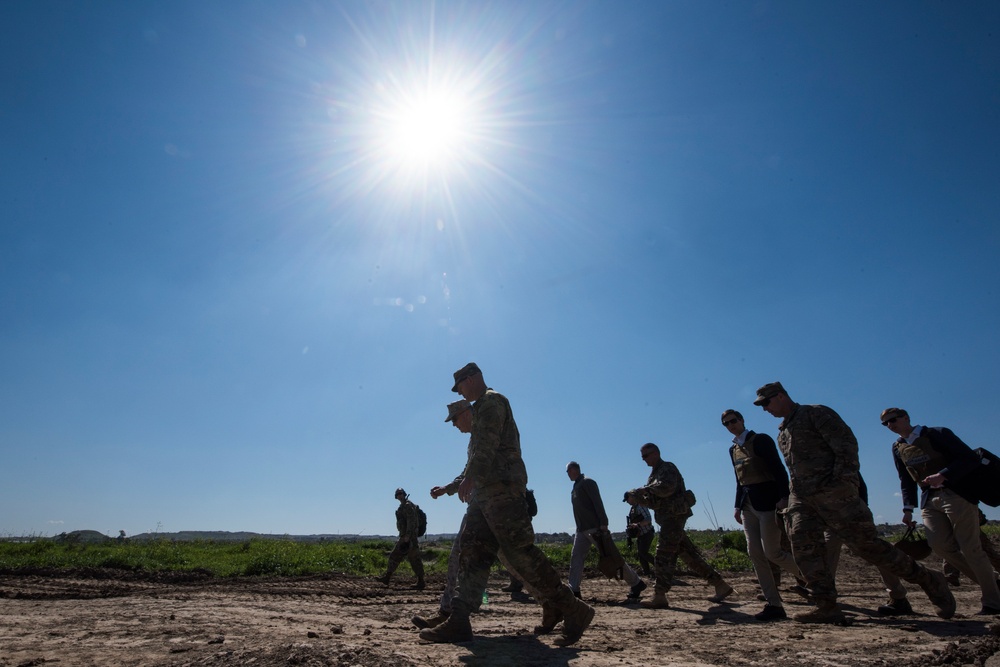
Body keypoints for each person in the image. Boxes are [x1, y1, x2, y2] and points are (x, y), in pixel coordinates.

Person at [418, 362, 595, 646]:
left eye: (461, 385)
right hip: (486, 495)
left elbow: (486, 448)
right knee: (472, 551)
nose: (460, 392)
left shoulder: (491, 402)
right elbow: (473, 462)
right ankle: (459, 620)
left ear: (472, 378)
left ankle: (574, 609)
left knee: (520, 554)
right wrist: (453, 486)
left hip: (502, 491)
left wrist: (471, 478)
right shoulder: (482, 410)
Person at [753, 382, 955, 623]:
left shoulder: (816, 413)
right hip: (802, 499)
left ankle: (929, 580)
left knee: (867, 547)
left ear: (781, 396)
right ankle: (825, 604)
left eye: (766, 402)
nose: (765, 409)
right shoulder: (783, 431)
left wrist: (841, 483)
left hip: (836, 495)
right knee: (805, 549)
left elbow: (847, 447)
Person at [882, 407, 1000, 615]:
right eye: (886, 423)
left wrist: (943, 475)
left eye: (893, 420)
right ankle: (993, 584)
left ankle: (992, 602)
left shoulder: (937, 434)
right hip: (929, 499)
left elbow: (968, 458)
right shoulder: (898, 447)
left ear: (906, 417)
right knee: (940, 546)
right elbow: (906, 480)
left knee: (971, 548)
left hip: (957, 494)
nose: (890, 425)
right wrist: (907, 509)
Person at [626, 442, 734, 609]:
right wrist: (638, 498)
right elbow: (654, 502)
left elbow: (666, 489)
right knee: (689, 555)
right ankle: (720, 585)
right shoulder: (653, 475)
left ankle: (659, 594)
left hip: (674, 517)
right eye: (642, 457)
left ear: (656, 453)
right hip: (667, 518)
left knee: (662, 556)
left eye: (646, 456)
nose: (644, 460)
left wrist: (644, 490)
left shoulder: (667, 468)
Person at [722, 409, 802, 621]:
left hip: (768, 503)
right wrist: (737, 506)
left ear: (741, 420)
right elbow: (739, 480)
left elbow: (778, 470)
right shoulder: (733, 449)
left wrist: (784, 497)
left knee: (773, 553)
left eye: (733, 421)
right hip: (748, 505)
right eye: (726, 423)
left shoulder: (761, 440)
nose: (730, 425)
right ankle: (774, 604)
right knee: (755, 553)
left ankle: (816, 580)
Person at [412, 399, 477, 630]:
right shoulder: (475, 439)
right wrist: (446, 489)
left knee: (520, 562)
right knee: (458, 557)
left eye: (455, 420)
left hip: (494, 507)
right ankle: (448, 614)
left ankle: (563, 605)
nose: (454, 426)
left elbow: (483, 467)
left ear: (466, 413)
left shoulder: (487, 432)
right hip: (480, 507)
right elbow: (467, 473)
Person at [565, 461, 647, 602]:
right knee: (576, 557)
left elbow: (598, 502)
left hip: (594, 528)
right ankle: (574, 590)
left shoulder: (588, 482)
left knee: (611, 557)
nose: (567, 475)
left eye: (567, 472)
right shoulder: (576, 486)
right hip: (581, 529)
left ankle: (636, 583)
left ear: (573, 470)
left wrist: (604, 523)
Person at [378, 487, 425, 590]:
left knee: (414, 559)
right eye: (398, 494)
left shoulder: (407, 506)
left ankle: (421, 581)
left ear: (404, 494)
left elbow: (411, 521)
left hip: (409, 537)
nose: (399, 495)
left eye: (401, 493)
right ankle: (387, 577)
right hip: (405, 536)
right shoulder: (402, 507)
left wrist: (408, 535)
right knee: (395, 556)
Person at [625, 492, 654, 576]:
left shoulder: (641, 505)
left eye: (627, 499)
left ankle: (660, 568)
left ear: (631, 497)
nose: (627, 501)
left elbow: (648, 519)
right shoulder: (633, 508)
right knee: (641, 555)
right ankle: (647, 573)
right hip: (640, 535)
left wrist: (637, 524)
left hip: (647, 533)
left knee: (643, 552)